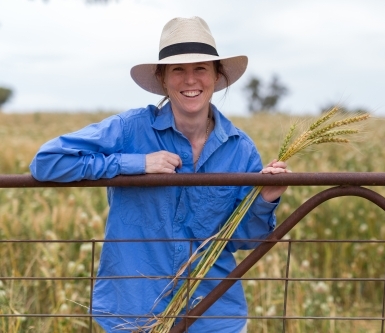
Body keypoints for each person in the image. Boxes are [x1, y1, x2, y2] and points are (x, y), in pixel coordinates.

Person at [30, 16, 289, 332]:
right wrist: (134, 164)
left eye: (200, 68)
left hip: (212, 314)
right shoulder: (130, 129)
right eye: (178, 69)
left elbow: (241, 240)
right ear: (163, 78)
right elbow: (47, 161)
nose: (189, 80)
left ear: (217, 76)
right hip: (134, 311)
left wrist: (265, 199)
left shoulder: (240, 148)